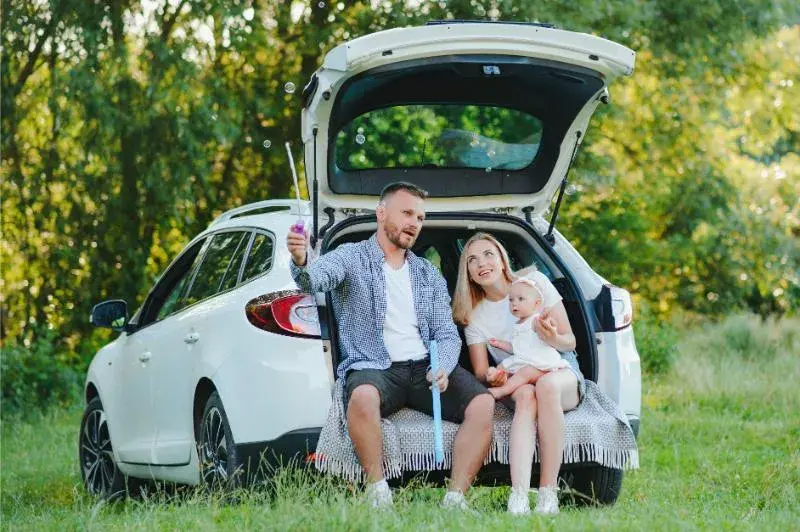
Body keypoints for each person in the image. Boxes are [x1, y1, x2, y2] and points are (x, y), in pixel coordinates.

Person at [286, 182, 495, 510]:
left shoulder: (427, 273)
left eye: (420, 218)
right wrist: (300, 260)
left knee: (482, 404)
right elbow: (314, 279)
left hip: (424, 366)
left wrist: (442, 366)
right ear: (381, 213)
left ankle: (455, 498)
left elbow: (446, 333)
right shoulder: (350, 257)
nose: (415, 223)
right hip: (374, 365)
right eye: (407, 213)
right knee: (362, 397)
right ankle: (378, 491)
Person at [452, 232, 586, 515]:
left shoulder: (535, 283)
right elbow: (481, 371)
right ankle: (519, 496)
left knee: (546, 385)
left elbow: (570, 342)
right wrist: (493, 376)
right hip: (517, 376)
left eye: (488, 254)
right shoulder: (474, 315)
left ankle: (548, 494)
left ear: (502, 260)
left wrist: (551, 337)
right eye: (472, 260)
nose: (482, 263)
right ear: (469, 274)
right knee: (525, 395)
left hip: (557, 367)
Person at [484, 275, 569, 400]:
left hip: (541, 363)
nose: (514, 303)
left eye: (521, 299)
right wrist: (500, 344)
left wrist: (546, 321)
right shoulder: (518, 324)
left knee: (525, 372)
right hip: (526, 359)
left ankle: (502, 390)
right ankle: (495, 376)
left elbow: (543, 326)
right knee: (503, 366)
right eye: (511, 300)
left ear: (536, 304)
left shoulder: (535, 320)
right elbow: (517, 348)